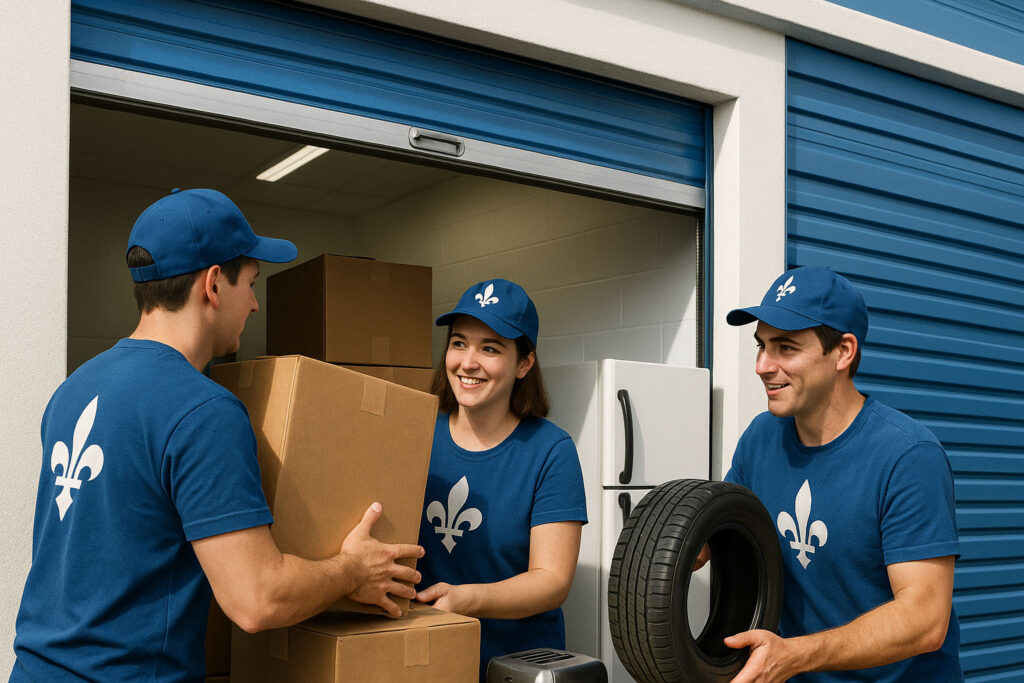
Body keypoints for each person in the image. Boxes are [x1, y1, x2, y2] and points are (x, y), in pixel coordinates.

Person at [10, 188, 423, 682]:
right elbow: (257, 599)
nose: (254, 304)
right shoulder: (203, 410)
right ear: (212, 285)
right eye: (250, 282)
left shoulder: (74, 388)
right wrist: (352, 569)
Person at [712, 265, 961, 681]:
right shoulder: (760, 438)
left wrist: (794, 655)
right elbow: (722, 534)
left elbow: (925, 619)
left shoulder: (908, 455)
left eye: (786, 348)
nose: (762, 365)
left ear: (843, 352)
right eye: (761, 346)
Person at [414, 279, 588, 680]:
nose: (467, 362)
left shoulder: (551, 450)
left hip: (515, 667)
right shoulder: (416, 433)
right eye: (458, 343)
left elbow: (552, 581)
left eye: (490, 348)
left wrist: (467, 599)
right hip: (426, 659)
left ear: (524, 363)